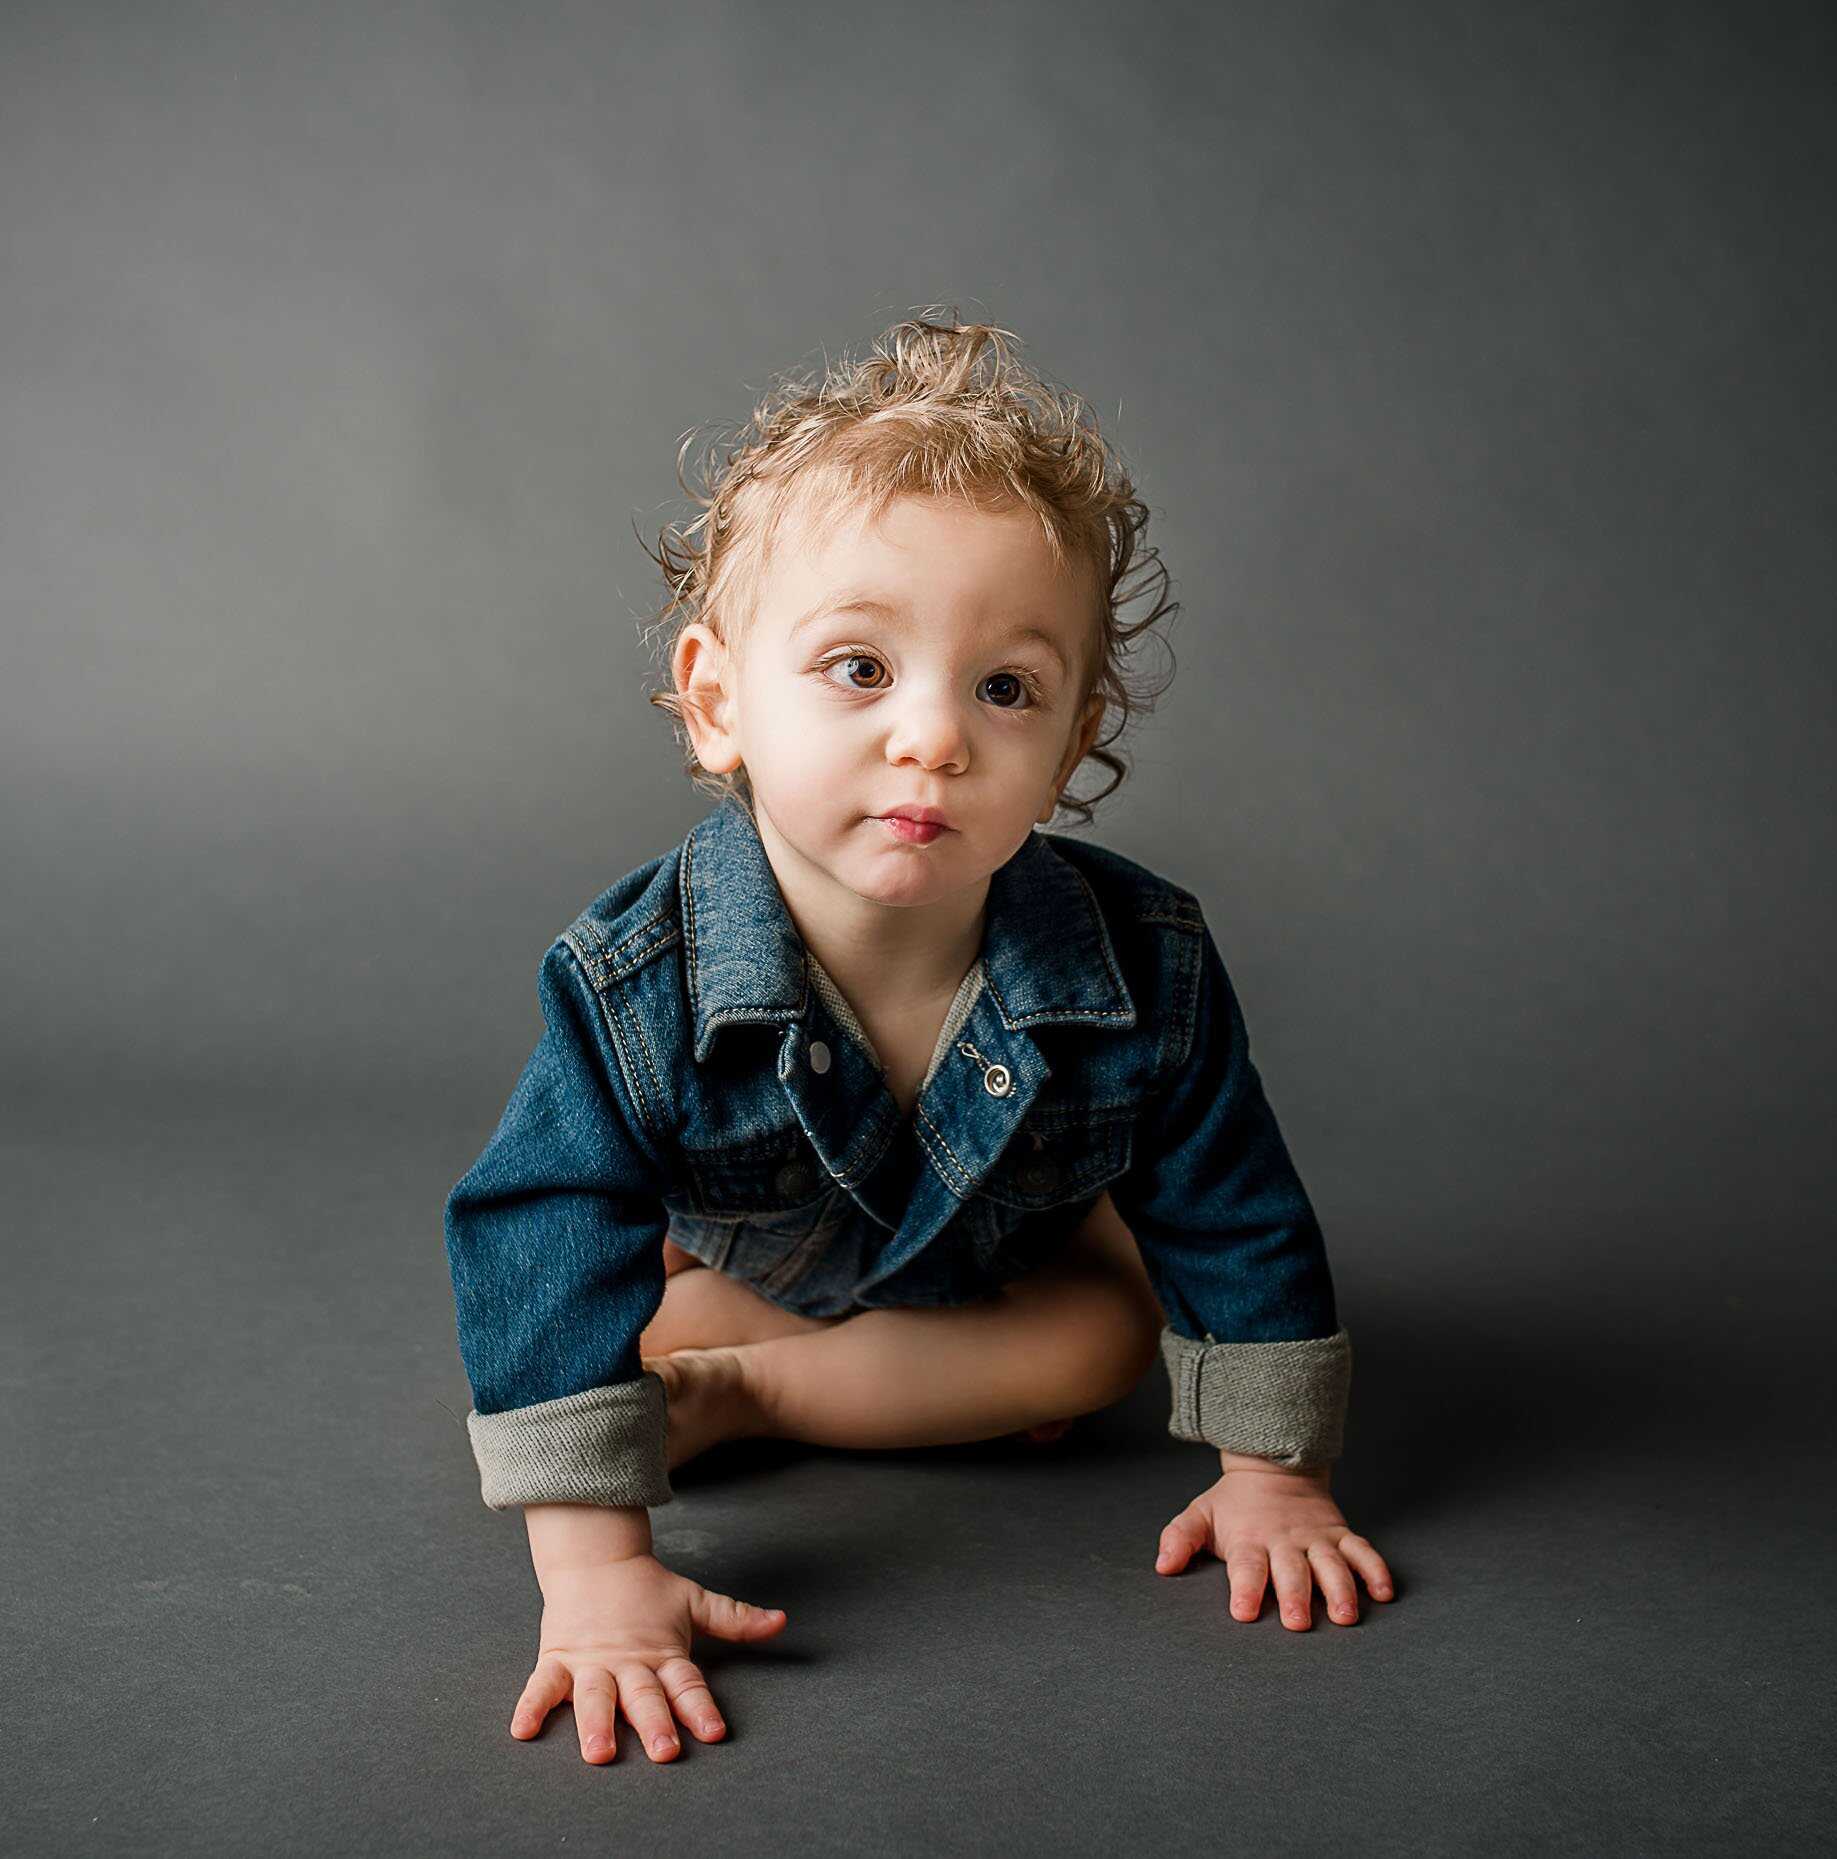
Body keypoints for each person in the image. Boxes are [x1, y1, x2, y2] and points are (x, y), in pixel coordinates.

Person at [443, 311, 1396, 1766]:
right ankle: (723, 1369)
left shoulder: (1143, 963)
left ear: (1072, 744)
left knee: (1106, 1335)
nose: (936, 738)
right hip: (751, 1243)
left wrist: (1277, 1472)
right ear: (718, 703)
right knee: (603, 1305)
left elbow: (1234, 1198)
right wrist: (597, 1575)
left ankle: (750, 1391)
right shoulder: (640, 982)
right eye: (860, 669)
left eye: (1006, 688)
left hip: (1005, 1257)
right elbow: (539, 1224)